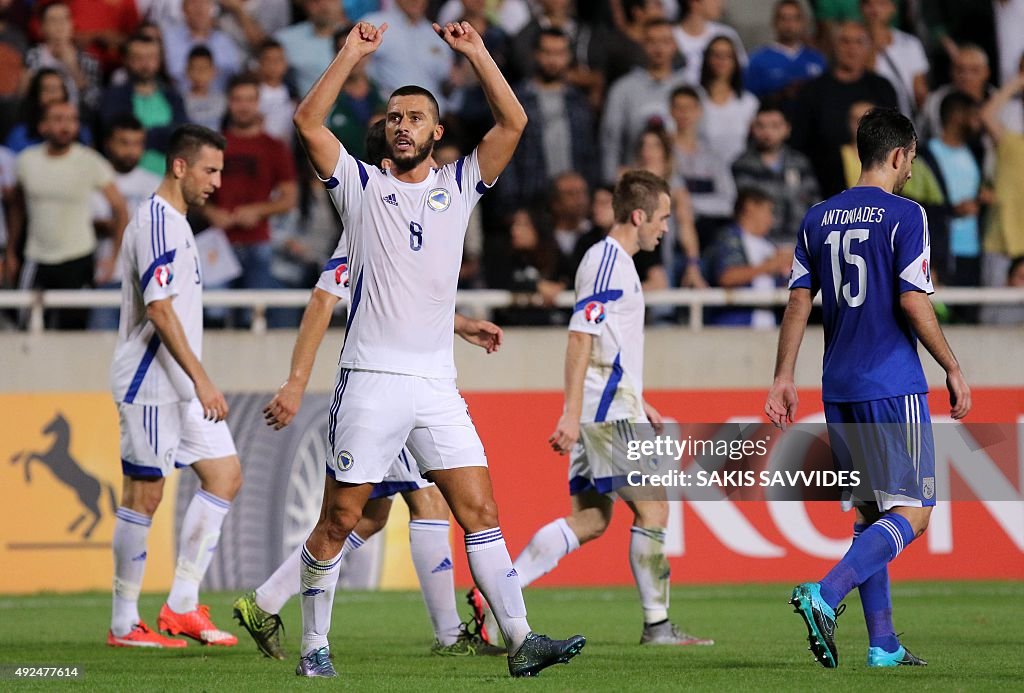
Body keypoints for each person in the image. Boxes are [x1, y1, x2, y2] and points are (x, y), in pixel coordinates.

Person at [288, 19, 585, 678]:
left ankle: (520, 638)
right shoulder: (361, 187)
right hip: (369, 379)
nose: (401, 125)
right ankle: (313, 644)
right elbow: (309, 122)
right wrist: (349, 54)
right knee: (339, 518)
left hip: (435, 386)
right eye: (394, 117)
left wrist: (478, 51)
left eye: (415, 117)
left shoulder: (457, 189)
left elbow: (513, 124)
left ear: (437, 132)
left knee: (480, 508)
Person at [233, 121, 506, 660]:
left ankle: (265, 601)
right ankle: (449, 635)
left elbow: (405, 296)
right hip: (380, 383)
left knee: (370, 515)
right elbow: (321, 302)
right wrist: (294, 383)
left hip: (407, 379)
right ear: (383, 166)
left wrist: (460, 323)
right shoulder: (364, 216)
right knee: (420, 504)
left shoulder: (409, 214)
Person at [765, 107, 971, 669]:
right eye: (911, 159)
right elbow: (912, 298)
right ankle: (825, 594)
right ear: (900, 155)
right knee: (915, 509)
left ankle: (882, 643)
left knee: (867, 513)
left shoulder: (817, 217)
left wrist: (784, 375)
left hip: (840, 385)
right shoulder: (907, 215)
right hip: (890, 382)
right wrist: (951, 365)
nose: (910, 170)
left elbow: (798, 302)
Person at [511, 170, 712, 646]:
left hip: (613, 406)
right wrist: (571, 411)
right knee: (655, 511)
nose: (665, 228)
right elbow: (581, 336)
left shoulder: (616, 263)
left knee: (593, 521)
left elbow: (608, 347)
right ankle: (657, 627)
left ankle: (498, 592)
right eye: (662, 217)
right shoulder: (607, 263)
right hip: (605, 414)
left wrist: (642, 400)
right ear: (638, 215)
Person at [107, 124, 242, 648]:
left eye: (221, 172)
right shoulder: (158, 222)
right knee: (144, 493)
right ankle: (123, 623)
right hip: (150, 380)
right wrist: (203, 379)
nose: (217, 183)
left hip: (178, 384)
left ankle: (182, 606)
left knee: (225, 475)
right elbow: (160, 310)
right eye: (210, 170)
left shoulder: (180, 222)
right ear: (180, 166)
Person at [6, 101, 127, 329]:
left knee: (72, 331)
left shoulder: (91, 162)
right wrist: (12, 251)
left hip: (78, 258)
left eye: (72, 120)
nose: (66, 126)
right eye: (58, 119)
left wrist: (113, 257)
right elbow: (17, 208)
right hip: (36, 257)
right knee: (23, 326)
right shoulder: (26, 161)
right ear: (43, 126)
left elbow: (120, 209)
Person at [790, 21, 897, 198]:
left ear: (869, 47)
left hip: (878, 192)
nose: (851, 48)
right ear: (833, 46)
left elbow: (896, 139)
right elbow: (799, 145)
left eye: (858, 42)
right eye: (845, 41)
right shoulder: (813, 91)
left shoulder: (882, 89)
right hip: (825, 191)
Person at [600, 18, 689, 184]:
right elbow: (610, 141)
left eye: (665, 41)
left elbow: (700, 140)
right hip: (636, 185)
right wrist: (611, 182)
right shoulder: (622, 89)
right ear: (642, 44)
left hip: (681, 185)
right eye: (652, 42)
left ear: (675, 45)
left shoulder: (689, 89)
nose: (659, 48)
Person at [731, 104, 820, 244]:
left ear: (787, 129)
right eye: (761, 126)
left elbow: (814, 205)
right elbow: (746, 212)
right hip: (758, 244)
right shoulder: (741, 166)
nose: (767, 132)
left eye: (775, 126)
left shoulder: (800, 163)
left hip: (800, 242)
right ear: (752, 129)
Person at [705, 186, 790, 327]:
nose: (771, 219)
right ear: (750, 207)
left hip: (768, 327)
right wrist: (771, 265)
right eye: (768, 211)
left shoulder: (769, 245)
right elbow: (727, 276)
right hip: (735, 327)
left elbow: (785, 285)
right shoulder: (728, 238)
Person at [744, 0, 826, 112]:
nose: (789, 24)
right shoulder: (757, 60)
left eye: (794, 18)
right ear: (774, 22)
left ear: (803, 22)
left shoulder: (817, 59)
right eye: (784, 18)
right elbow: (747, 101)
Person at [860, 0, 928, 119]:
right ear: (861, 9)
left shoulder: (910, 43)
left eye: (881, 4)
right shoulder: (853, 43)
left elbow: (919, 90)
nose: (875, 10)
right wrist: (874, 43)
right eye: (869, 5)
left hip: (904, 119)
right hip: (871, 118)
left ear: (893, 9)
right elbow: (865, 79)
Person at [698, 35, 759, 167]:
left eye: (727, 56)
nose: (721, 61)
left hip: (742, 171)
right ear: (707, 59)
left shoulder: (749, 102)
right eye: (716, 55)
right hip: (703, 172)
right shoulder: (696, 99)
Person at [182, 46, 227, 132]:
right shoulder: (180, 101)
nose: (199, 74)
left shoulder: (223, 101)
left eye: (204, 69)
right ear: (187, 71)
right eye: (194, 69)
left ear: (214, 71)